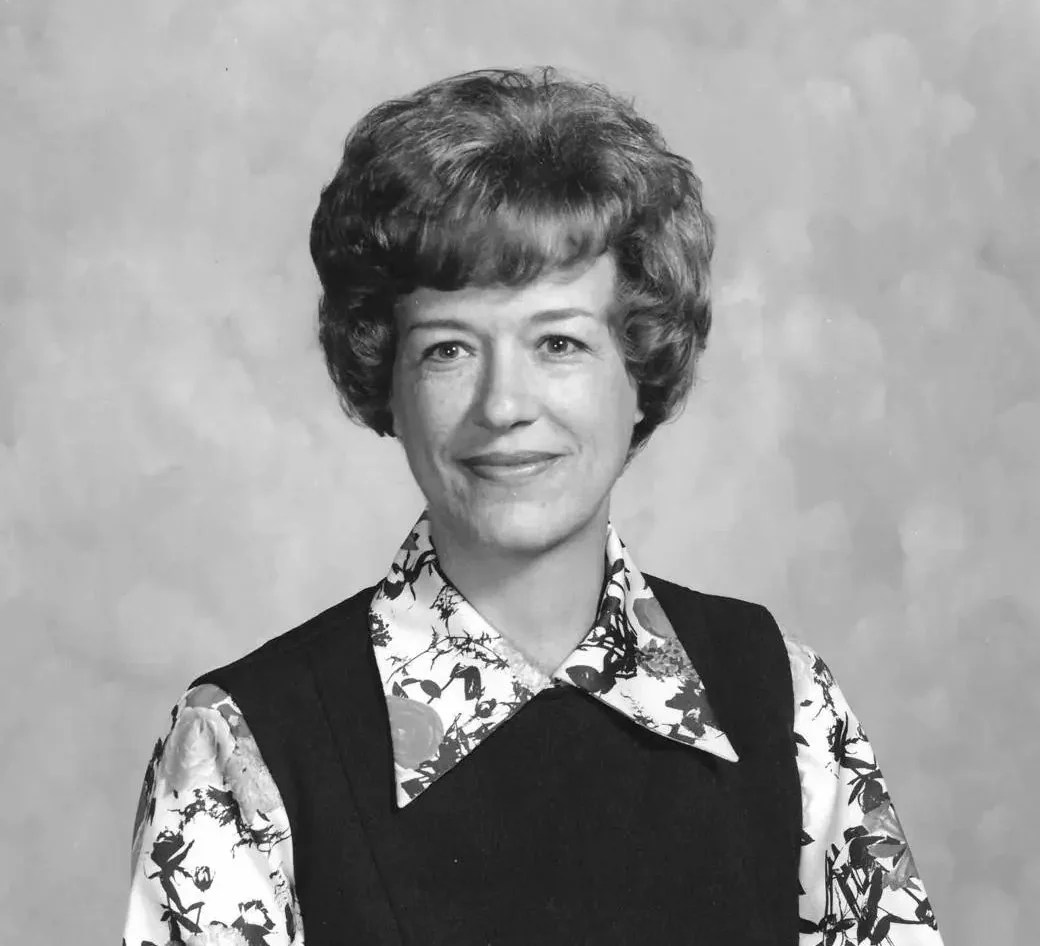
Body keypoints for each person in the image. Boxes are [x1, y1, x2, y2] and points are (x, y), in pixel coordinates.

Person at [122, 68, 944, 946]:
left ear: (641, 371)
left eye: (558, 342)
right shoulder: (241, 750)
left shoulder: (785, 704)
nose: (503, 405)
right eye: (447, 350)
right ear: (385, 381)